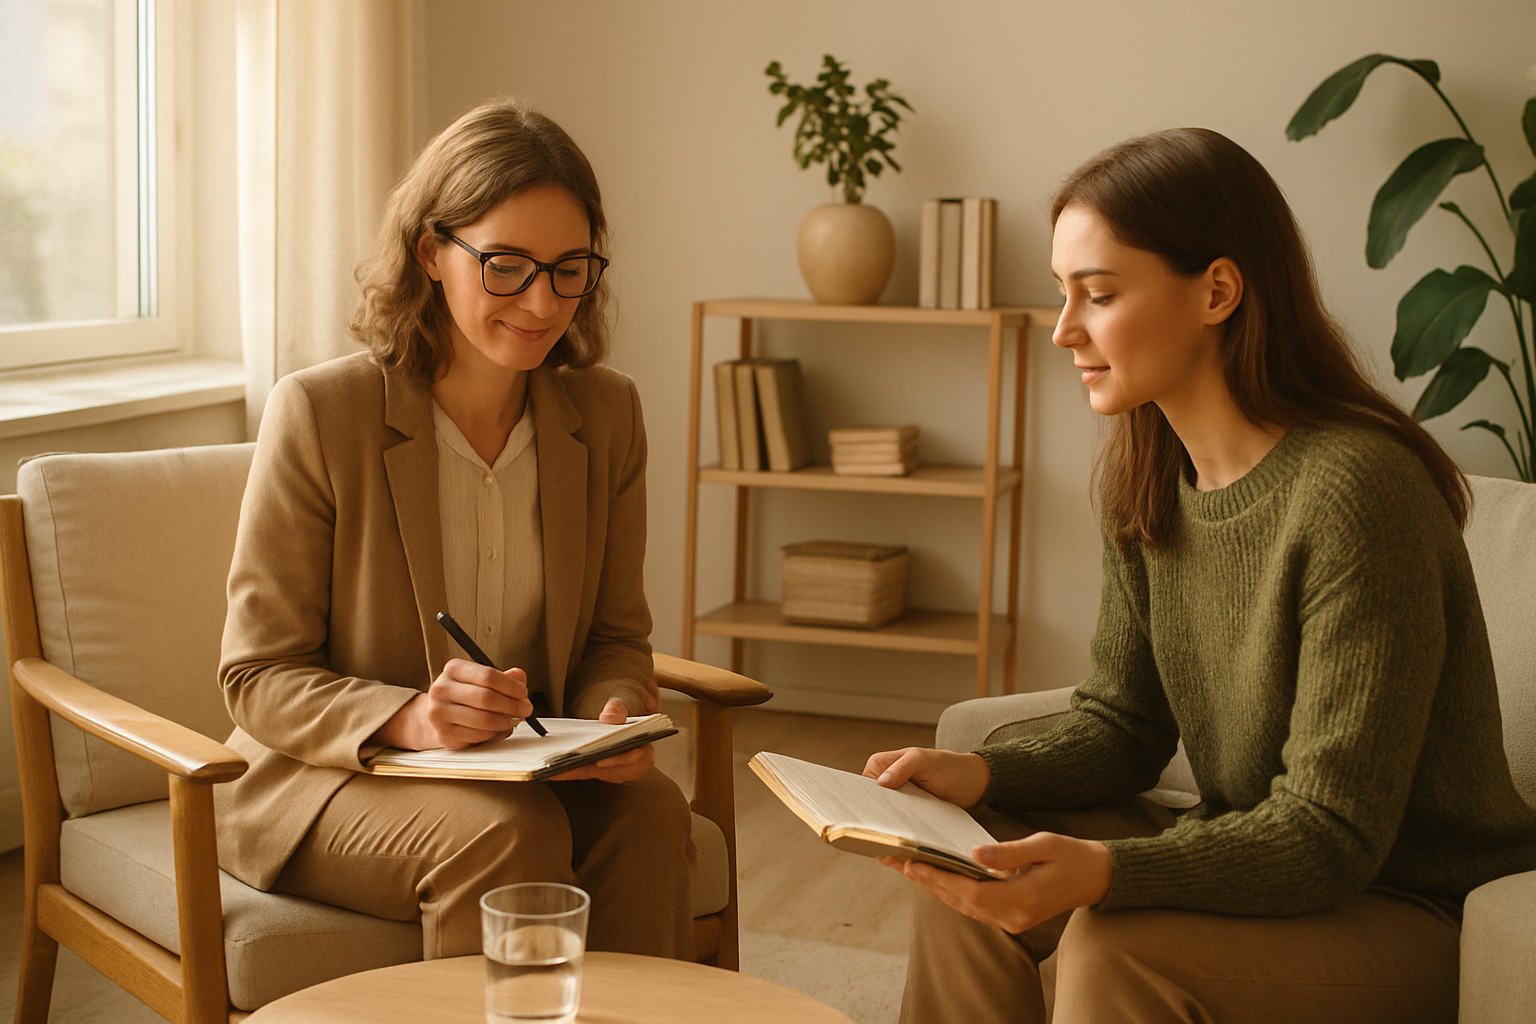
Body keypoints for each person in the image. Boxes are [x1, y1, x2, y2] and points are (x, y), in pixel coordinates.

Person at [865, 128, 1536, 1023]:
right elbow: (1124, 724)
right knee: (965, 865)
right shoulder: (1148, 475)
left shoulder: (1359, 493)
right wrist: (978, 778)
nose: (1064, 330)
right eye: (1062, 295)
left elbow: (1331, 834)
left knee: (1112, 940)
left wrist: (1108, 871)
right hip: (1250, 846)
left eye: (1097, 295)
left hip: (1404, 902)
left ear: (1217, 290)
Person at [214, 99, 693, 960]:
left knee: (652, 812)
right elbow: (256, 675)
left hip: (522, 765)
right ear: (433, 251)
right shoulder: (323, 414)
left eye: (570, 268)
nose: (543, 302)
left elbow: (617, 636)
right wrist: (412, 718)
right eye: (506, 265)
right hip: (327, 781)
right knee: (504, 832)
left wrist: (611, 713)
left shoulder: (608, 415)